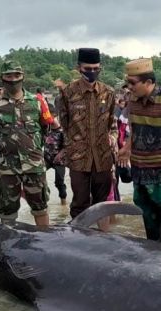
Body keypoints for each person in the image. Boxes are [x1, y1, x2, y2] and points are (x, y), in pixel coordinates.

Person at [118, 58, 161, 248]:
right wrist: (126, 148)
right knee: (149, 217)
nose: (129, 87)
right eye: (128, 83)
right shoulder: (133, 101)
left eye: (133, 83)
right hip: (141, 170)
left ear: (148, 82)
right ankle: (158, 259)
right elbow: (136, 130)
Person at [0, 60, 53, 226]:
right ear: (2, 77)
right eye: (9, 75)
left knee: (40, 207)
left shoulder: (37, 102)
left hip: (34, 164)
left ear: (23, 77)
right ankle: (9, 247)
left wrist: (32, 148)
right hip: (8, 167)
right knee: (7, 211)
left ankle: (43, 244)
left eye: (17, 75)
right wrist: (6, 149)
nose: (13, 79)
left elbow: (45, 131)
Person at [59, 48, 117, 231]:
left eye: (96, 68)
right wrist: (71, 147)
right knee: (79, 203)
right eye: (88, 68)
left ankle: (104, 241)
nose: (92, 72)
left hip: (102, 157)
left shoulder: (108, 93)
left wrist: (113, 138)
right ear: (79, 68)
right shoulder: (68, 93)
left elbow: (111, 123)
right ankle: (79, 242)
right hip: (78, 158)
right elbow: (64, 124)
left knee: (102, 205)